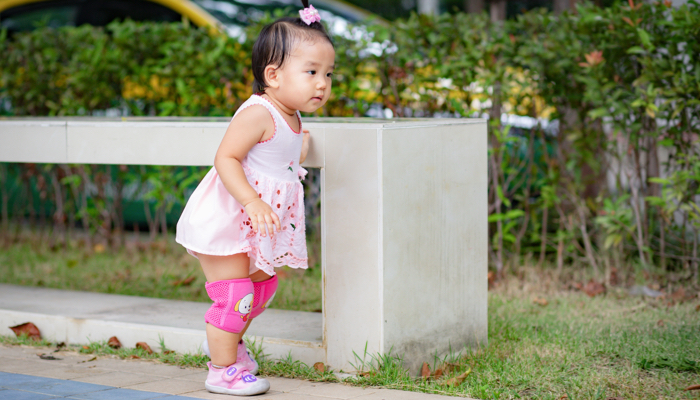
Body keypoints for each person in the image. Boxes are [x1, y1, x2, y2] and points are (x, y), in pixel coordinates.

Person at [175, 1, 334, 395]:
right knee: (236, 297)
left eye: (329, 74)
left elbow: (276, 161)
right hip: (229, 217)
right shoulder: (259, 112)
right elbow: (226, 157)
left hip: (259, 224)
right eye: (312, 72)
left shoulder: (292, 117)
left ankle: (232, 347)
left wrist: (299, 150)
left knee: (261, 290)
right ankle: (221, 370)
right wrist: (251, 201)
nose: (322, 84)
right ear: (273, 75)